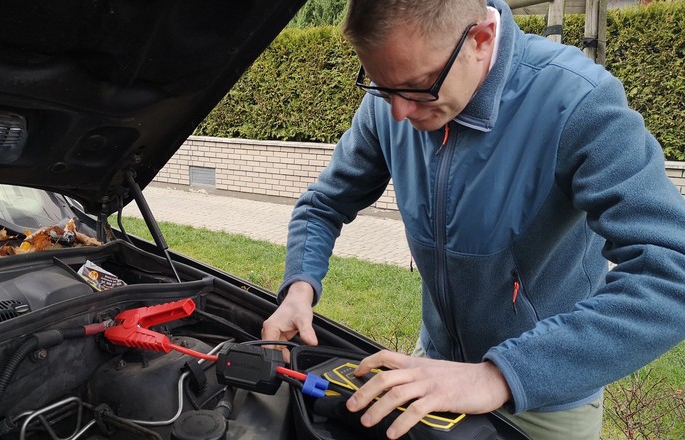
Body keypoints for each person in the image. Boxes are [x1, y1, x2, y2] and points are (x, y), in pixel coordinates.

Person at [260, 0, 685, 438]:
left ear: (479, 41)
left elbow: (672, 272)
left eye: (417, 87)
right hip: (433, 369)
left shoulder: (577, 101)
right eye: (382, 88)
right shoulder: (391, 103)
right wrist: (299, 287)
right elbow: (324, 203)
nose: (398, 114)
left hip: (544, 395)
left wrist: (497, 374)